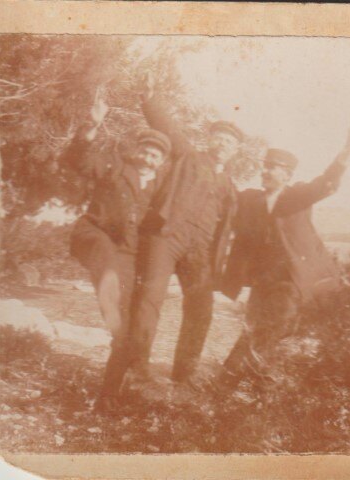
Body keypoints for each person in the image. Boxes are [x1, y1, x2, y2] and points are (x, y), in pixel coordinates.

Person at [96, 88, 242, 409]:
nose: (223, 145)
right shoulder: (189, 155)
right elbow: (167, 126)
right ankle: (137, 367)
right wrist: (149, 99)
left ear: (234, 152)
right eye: (219, 138)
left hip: (199, 250)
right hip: (165, 237)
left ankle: (185, 372)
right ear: (210, 140)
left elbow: (232, 227)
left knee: (201, 309)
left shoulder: (230, 187)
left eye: (230, 143)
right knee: (149, 301)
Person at [214, 124, 350, 392]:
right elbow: (225, 194)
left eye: (273, 168)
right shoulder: (251, 200)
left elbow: (326, 183)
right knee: (254, 327)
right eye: (265, 167)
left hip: (295, 279)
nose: (266, 172)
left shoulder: (296, 196)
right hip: (264, 281)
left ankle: (228, 380)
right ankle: (257, 383)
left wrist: (348, 148)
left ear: (287, 174)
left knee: (270, 328)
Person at [63, 92, 171, 377]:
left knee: (125, 329)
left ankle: (110, 393)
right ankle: (108, 292)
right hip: (96, 234)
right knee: (106, 260)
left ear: (161, 162)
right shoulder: (115, 166)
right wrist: (91, 127)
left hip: (127, 253)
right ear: (137, 152)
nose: (148, 159)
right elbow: (80, 162)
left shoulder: (160, 190)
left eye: (155, 156)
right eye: (146, 152)